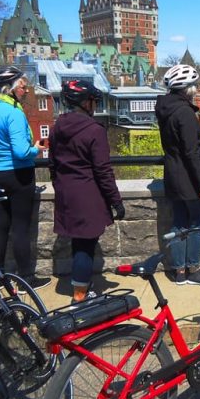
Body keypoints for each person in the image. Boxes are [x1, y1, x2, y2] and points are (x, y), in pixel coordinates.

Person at [49, 80, 125, 303]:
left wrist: (60, 186)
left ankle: (80, 286)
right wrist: (116, 202)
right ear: (85, 102)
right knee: (86, 246)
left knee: (77, 242)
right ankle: (80, 296)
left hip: (66, 193)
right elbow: (103, 171)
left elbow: (52, 165)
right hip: (87, 195)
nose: (94, 105)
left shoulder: (56, 128)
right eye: (93, 101)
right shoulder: (94, 130)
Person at [0, 66, 50, 290]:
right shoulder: (14, 113)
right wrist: (37, 149)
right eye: (22, 85)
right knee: (20, 226)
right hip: (18, 174)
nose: (25, 90)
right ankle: (26, 279)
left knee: (0, 225)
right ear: (8, 88)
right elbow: (21, 151)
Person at [155, 64, 200, 285]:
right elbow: (192, 152)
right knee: (198, 223)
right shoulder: (185, 113)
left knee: (178, 223)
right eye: (193, 86)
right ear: (187, 89)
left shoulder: (165, 108)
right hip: (189, 178)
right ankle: (194, 269)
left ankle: (179, 272)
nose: (196, 89)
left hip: (172, 174)